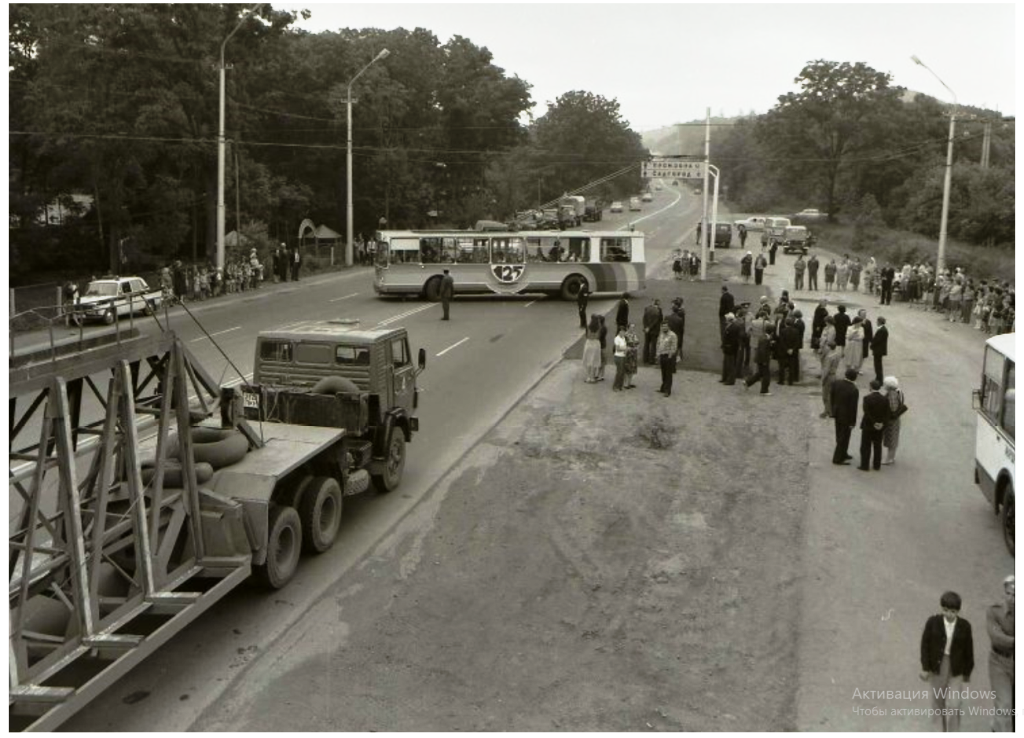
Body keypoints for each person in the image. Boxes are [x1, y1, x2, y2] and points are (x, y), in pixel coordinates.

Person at [919, 591, 974, 732]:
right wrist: (925, 668)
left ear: (958, 611)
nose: (949, 614)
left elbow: (969, 649)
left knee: (955, 704)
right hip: (937, 666)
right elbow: (925, 645)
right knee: (938, 702)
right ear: (941, 608)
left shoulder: (965, 626)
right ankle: (938, 732)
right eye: (945, 610)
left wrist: (967, 672)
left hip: (956, 668)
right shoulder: (932, 622)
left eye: (953, 611)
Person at [986, 574, 1014, 732]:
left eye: (1016, 595)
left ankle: (998, 727)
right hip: (999, 663)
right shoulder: (994, 611)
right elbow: (996, 637)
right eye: (1008, 594)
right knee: (1004, 705)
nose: (1011, 599)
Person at [858, 379, 889, 471]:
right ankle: (876, 465)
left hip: (868, 426)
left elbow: (867, 413)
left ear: (871, 387)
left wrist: (874, 422)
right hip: (879, 427)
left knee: (865, 446)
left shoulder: (867, 398)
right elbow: (887, 413)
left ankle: (865, 465)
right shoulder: (885, 399)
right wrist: (881, 423)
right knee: (877, 446)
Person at [830, 368, 859, 465]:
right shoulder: (853, 389)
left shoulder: (836, 383)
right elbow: (853, 408)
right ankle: (838, 458)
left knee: (839, 434)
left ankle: (843, 453)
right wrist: (852, 422)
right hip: (846, 416)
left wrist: (832, 410)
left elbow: (832, 397)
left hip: (837, 413)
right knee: (844, 437)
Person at [744, 324, 776, 395]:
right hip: (763, 359)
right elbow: (763, 350)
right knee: (766, 375)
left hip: (760, 358)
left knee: (760, 373)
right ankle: (764, 390)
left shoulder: (764, 337)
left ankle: (748, 382)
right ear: (771, 332)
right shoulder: (766, 339)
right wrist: (764, 361)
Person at [881, 376, 905, 465]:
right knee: (894, 439)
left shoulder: (891, 394)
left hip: (891, 420)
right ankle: (892, 457)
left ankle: (888, 459)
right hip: (895, 420)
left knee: (890, 439)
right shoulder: (898, 391)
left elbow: (893, 408)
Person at [820, 341, 843, 418]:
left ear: (829, 347)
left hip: (828, 376)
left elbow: (826, 369)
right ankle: (831, 411)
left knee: (825, 395)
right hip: (834, 375)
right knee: (831, 394)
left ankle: (827, 411)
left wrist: (823, 379)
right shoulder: (837, 354)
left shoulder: (829, 357)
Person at [656, 321, 678, 396]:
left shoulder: (672, 335)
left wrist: (670, 356)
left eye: (665, 326)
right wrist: (657, 354)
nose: (664, 328)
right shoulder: (661, 334)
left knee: (668, 374)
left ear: (668, 327)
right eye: (662, 326)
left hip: (668, 356)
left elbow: (674, 347)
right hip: (662, 355)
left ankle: (667, 391)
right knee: (663, 373)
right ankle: (663, 387)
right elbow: (658, 344)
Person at [778, 317, 801, 386]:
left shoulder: (782, 331)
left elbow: (781, 342)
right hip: (793, 351)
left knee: (782, 366)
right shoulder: (796, 331)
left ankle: (781, 380)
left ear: (785, 323)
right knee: (791, 366)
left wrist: (786, 349)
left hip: (783, 351)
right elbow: (797, 342)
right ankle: (790, 381)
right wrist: (792, 349)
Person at [720, 312, 741, 385]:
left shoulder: (734, 327)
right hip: (728, 347)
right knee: (726, 363)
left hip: (731, 348)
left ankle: (731, 380)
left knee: (730, 364)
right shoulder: (731, 326)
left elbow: (734, 340)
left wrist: (728, 345)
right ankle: (725, 377)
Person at [581, 314, 603, 383]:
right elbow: (598, 337)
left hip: (589, 343)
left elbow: (587, 336)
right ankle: (592, 377)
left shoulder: (588, 327)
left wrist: (590, 336)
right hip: (596, 344)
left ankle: (588, 377)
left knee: (588, 360)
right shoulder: (599, 328)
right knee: (594, 361)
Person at [642, 299, 663, 365]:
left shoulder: (647, 308)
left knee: (646, 344)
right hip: (654, 330)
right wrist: (650, 327)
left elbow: (644, 319)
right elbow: (658, 320)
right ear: (658, 304)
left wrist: (646, 327)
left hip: (647, 330)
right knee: (653, 345)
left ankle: (645, 359)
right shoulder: (658, 310)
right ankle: (651, 360)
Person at [870, 316, 888, 385]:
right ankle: (878, 378)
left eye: (877, 321)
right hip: (879, 350)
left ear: (880, 322)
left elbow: (877, 340)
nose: (876, 322)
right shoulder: (882, 329)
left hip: (878, 350)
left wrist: (872, 345)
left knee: (877, 366)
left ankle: (879, 380)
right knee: (877, 365)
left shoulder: (882, 330)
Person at [667, 298, 686, 364]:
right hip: (679, 329)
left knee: (677, 343)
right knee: (678, 343)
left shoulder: (679, 313)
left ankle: (678, 356)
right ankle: (679, 355)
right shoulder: (681, 311)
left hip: (677, 329)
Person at [612, 326, 629, 391]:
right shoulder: (617, 338)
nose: (623, 333)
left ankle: (620, 386)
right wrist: (625, 349)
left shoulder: (624, 338)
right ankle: (615, 386)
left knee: (622, 372)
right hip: (618, 357)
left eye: (624, 331)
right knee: (619, 372)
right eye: (621, 331)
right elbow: (618, 349)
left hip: (623, 356)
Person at [623, 323, 640, 389]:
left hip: (634, 353)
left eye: (633, 327)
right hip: (628, 353)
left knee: (632, 368)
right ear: (628, 328)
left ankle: (629, 383)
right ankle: (625, 383)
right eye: (631, 327)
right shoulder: (625, 335)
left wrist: (637, 347)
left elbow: (637, 342)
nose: (633, 329)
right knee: (627, 368)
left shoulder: (634, 334)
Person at [597, 315, 608, 381]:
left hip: (600, 345)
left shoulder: (601, 328)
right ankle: (602, 374)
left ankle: (599, 374)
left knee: (600, 360)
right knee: (603, 361)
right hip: (603, 345)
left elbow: (599, 337)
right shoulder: (604, 328)